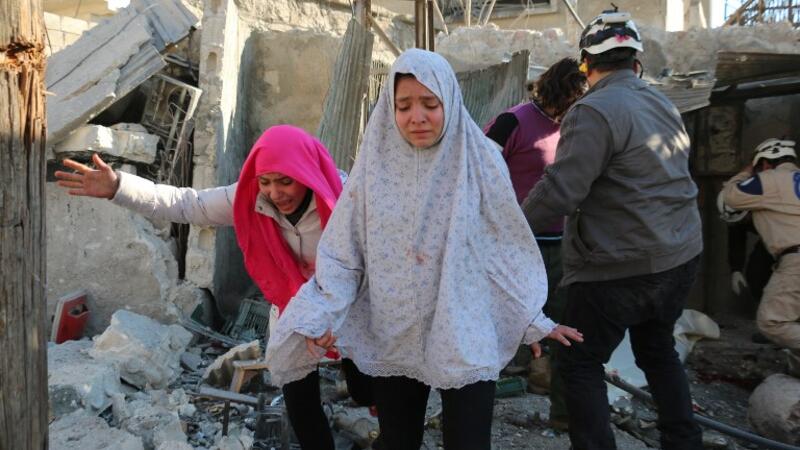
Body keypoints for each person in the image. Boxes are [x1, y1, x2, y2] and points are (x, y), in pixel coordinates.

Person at [262, 49, 583, 450]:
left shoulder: (481, 161)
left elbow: (503, 248)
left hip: (463, 328)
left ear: (449, 99)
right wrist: (320, 314)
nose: (417, 117)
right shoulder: (373, 170)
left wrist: (529, 316)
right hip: (395, 329)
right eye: (404, 106)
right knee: (398, 442)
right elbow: (345, 255)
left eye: (430, 104)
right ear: (390, 109)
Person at [54, 125, 373, 450]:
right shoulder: (249, 196)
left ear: (305, 172)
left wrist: (331, 316)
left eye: (285, 181)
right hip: (292, 307)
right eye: (265, 181)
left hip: (347, 304)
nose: (275, 193)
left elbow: (368, 265)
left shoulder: (347, 200)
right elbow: (188, 204)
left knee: (366, 388)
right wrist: (119, 187)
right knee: (299, 396)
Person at [520, 8, 704, 450]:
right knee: (658, 351)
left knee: (580, 363)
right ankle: (685, 442)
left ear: (586, 65)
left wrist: (508, 227)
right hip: (679, 256)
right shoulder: (663, 104)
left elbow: (560, 191)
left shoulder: (592, 111)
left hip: (617, 268)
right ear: (636, 62)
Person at [483, 57, 587, 431]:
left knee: (566, 332)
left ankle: (564, 418)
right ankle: (475, 411)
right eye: (575, 97)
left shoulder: (578, 127)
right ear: (560, 92)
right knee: (498, 328)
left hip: (561, 246)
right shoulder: (513, 122)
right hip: (513, 247)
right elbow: (477, 171)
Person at [721, 138, 800, 377]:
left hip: (795, 258)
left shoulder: (767, 180)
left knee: (772, 323)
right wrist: (736, 267)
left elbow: (731, 196)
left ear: (764, 164)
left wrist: (745, 171)